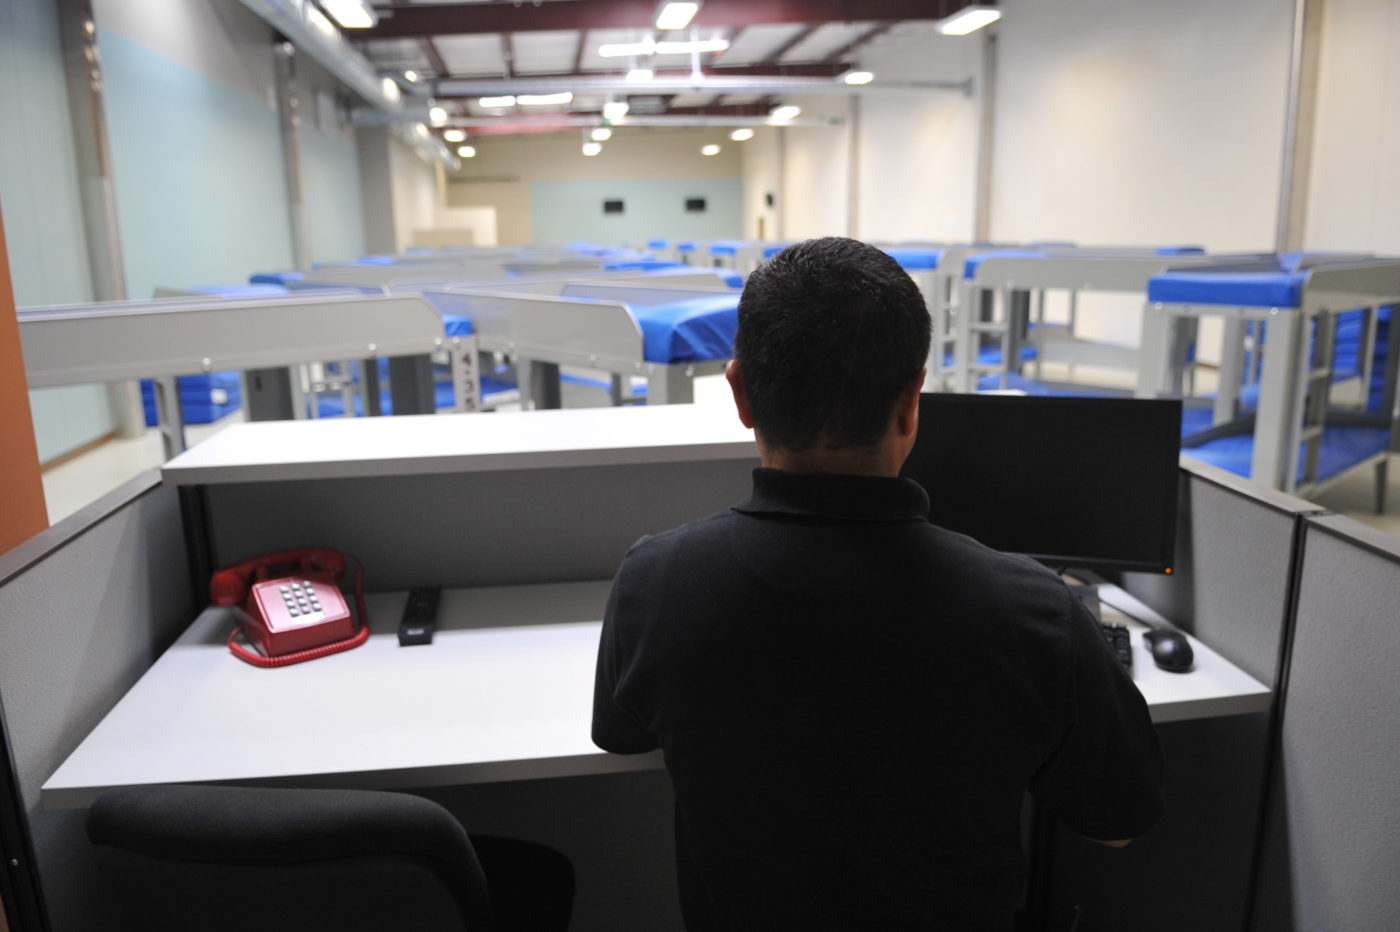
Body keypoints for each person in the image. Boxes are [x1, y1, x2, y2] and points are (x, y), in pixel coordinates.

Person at [592, 237, 1164, 931]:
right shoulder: (1035, 614)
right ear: (911, 403)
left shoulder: (654, 582)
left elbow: (621, 738)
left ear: (740, 393)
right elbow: (1116, 824)